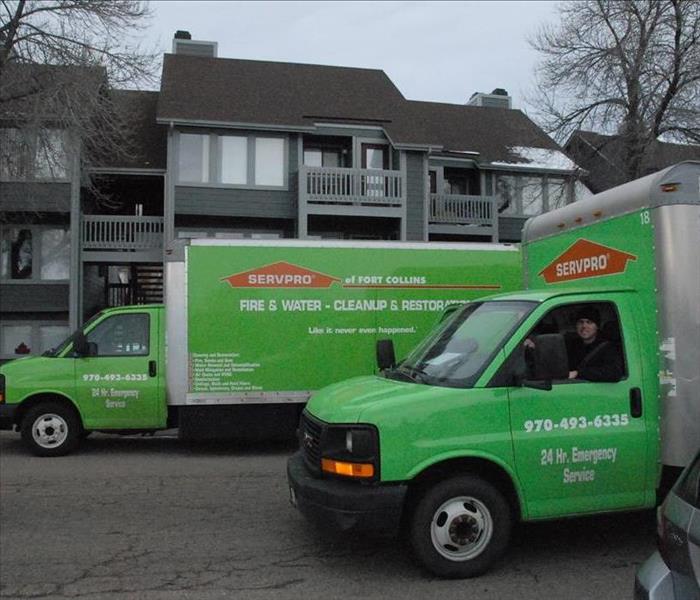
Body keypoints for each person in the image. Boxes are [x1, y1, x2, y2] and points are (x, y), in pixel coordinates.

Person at [566, 307, 622, 382]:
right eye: (580, 322)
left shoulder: (608, 348)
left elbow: (614, 372)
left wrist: (579, 373)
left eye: (589, 322)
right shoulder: (572, 346)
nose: (584, 326)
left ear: (597, 326)